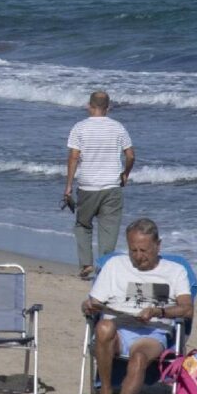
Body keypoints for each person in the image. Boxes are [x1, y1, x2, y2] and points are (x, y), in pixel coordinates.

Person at [81, 218, 193, 394]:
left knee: (139, 356)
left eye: (144, 251)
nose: (139, 256)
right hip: (119, 327)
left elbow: (187, 309)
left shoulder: (175, 271)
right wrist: (88, 305)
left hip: (152, 331)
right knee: (104, 326)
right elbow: (93, 301)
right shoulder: (115, 265)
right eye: (133, 250)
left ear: (158, 245)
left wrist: (158, 312)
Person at [64, 90, 135, 279]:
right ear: (108, 108)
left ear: (89, 106)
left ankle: (86, 264)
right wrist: (125, 174)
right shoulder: (118, 128)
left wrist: (68, 186)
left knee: (82, 225)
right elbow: (130, 155)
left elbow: (73, 158)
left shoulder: (80, 128)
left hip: (87, 185)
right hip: (112, 184)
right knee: (109, 229)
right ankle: (104, 267)